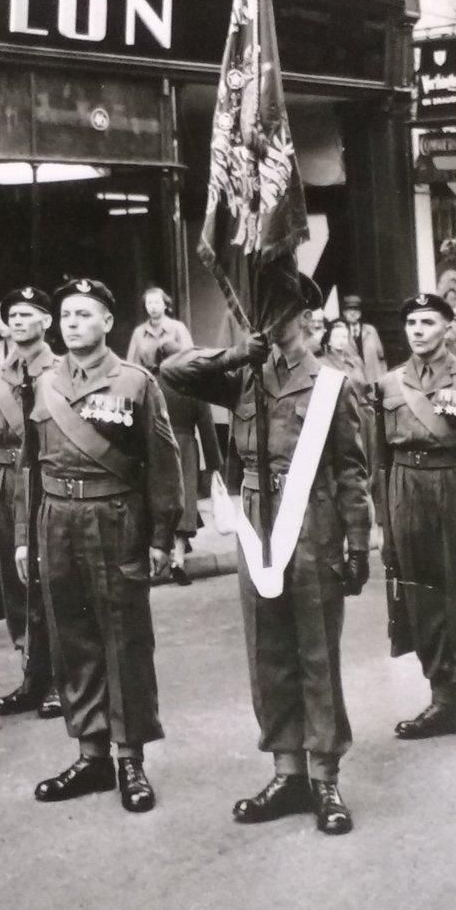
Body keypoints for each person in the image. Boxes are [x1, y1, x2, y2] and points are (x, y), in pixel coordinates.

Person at [161, 274, 370, 835]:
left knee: (316, 651)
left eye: (281, 311)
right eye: (263, 312)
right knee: (267, 647)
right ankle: (287, 772)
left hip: (313, 521)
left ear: (304, 316)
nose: (270, 322)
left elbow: (352, 472)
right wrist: (236, 354)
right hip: (257, 520)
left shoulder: (333, 383)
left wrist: (357, 543)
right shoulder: (245, 376)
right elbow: (172, 371)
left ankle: (324, 777)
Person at [16, 278, 184, 814]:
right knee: (72, 638)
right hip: (56, 520)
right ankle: (91, 755)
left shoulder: (135, 382)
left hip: (114, 518)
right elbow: (28, 466)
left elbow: (163, 463)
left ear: (108, 322)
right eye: (66, 314)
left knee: (123, 640)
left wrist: (162, 536)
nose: (72, 323)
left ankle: (130, 759)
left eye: (84, 314)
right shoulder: (44, 383)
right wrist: (24, 536)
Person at [377, 293, 456, 752]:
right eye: (412, 322)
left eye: (428, 322)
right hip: (406, 494)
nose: (418, 330)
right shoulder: (388, 384)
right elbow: (379, 460)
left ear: (447, 328)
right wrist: (384, 522)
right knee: (422, 602)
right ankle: (441, 700)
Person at [0, 287, 61, 720]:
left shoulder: (59, 370)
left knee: (46, 579)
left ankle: (59, 681)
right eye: (12, 314)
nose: (17, 321)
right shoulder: (0, 373)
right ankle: (32, 676)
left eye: (27, 314)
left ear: (46, 321)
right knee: (14, 583)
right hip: (4, 481)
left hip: (41, 481)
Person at [155, 345, 223, 585]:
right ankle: (179, 560)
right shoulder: (192, 384)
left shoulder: (151, 384)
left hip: (158, 446)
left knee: (162, 498)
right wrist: (214, 463)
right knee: (185, 500)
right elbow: (206, 425)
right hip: (184, 447)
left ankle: (163, 553)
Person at [126, 286, 193, 368]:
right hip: (147, 375)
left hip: (173, 374)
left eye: (157, 302)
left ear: (165, 305)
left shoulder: (178, 328)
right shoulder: (139, 332)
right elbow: (132, 365)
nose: (153, 306)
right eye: (149, 303)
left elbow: (189, 359)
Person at [340, 294, 386, 385]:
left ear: (360, 313)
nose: (352, 313)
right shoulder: (340, 333)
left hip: (374, 381)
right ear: (344, 313)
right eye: (349, 309)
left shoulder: (371, 331)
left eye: (356, 309)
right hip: (354, 384)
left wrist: (383, 377)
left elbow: (381, 358)